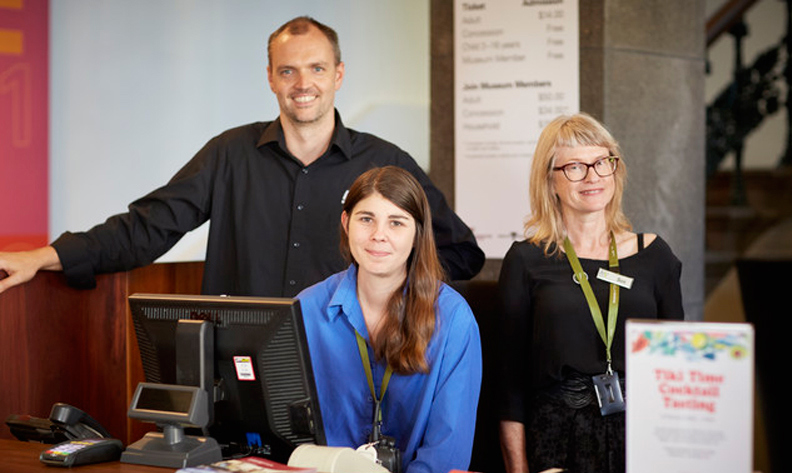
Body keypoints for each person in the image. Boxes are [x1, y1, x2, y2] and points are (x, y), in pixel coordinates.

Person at [0, 16, 483, 297]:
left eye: (316, 68)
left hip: (352, 366)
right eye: (288, 71)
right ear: (271, 78)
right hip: (240, 366)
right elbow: (147, 228)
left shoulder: (386, 162)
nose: (302, 84)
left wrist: (388, 291)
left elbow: (461, 254)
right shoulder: (229, 153)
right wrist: (45, 257)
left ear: (338, 75)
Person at [497, 113, 683, 473]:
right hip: (559, 438)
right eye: (575, 167)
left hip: (643, 437)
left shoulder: (654, 256)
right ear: (550, 179)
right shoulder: (527, 260)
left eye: (602, 162)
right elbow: (509, 383)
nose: (593, 177)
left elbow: (676, 369)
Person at [297, 166, 482, 473]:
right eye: (365, 219)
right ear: (346, 223)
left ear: (417, 234)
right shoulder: (306, 309)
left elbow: (446, 451)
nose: (378, 235)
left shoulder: (453, 319)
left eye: (396, 222)